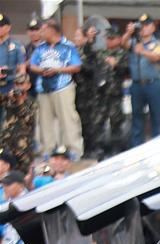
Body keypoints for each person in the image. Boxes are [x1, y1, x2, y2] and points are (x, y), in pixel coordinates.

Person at [29, 19, 83, 159]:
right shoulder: (40, 47)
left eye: (44, 30)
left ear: (52, 30)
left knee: (67, 119)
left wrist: (57, 70)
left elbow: (76, 66)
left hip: (62, 86)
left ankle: (73, 149)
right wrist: (41, 70)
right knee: (45, 120)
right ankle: (48, 149)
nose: (41, 33)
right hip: (43, 88)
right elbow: (32, 64)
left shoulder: (68, 46)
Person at [129, 14, 160, 147]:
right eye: (141, 26)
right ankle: (136, 148)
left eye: (146, 25)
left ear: (153, 27)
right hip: (137, 85)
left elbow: (157, 56)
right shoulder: (133, 42)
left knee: (156, 118)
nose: (143, 29)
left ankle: (158, 148)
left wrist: (142, 51)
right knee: (137, 119)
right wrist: (128, 33)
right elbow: (121, 43)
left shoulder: (159, 43)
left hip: (153, 84)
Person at [96, 25, 131, 154]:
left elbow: (127, 70)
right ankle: (100, 148)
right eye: (108, 38)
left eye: (112, 38)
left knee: (116, 122)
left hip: (115, 93)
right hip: (100, 94)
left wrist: (116, 65)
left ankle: (116, 149)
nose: (109, 41)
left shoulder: (123, 54)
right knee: (99, 121)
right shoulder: (101, 53)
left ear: (118, 39)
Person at [72, 26, 102, 158]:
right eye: (75, 36)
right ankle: (83, 149)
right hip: (76, 91)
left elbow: (91, 68)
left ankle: (92, 149)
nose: (75, 39)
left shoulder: (89, 51)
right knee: (80, 122)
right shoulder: (73, 51)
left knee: (90, 122)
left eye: (78, 36)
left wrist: (90, 40)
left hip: (89, 92)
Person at [0, 72, 38, 172]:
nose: (18, 87)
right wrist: (2, 82)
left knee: (23, 171)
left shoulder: (32, 102)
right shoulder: (9, 98)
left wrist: (20, 102)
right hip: (6, 142)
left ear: (28, 85)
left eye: (21, 84)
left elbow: (30, 120)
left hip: (23, 145)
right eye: (16, 84)